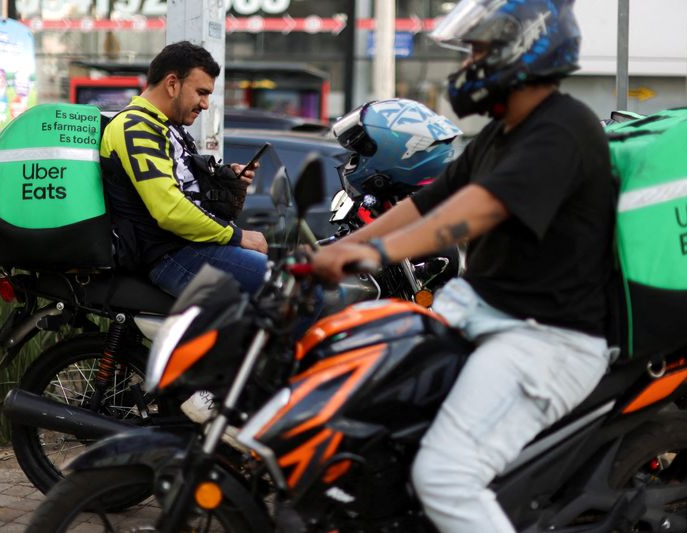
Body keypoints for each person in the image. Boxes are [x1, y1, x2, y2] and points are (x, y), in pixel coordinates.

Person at [311, 1, 614, 531]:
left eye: (478, 50)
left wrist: (377, 253)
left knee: (444, 474)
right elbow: (425, 203)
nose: (468, 64)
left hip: (547, 336)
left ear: (522, 51)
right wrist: (339, 248)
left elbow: (483, 207)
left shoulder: (563, 129)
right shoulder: (501, 134)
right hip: (485, 311)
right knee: (375, 413)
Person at [100, 40, 268, 297]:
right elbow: (170, 211)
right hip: (172, 256)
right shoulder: (136, 127)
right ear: (172, 84)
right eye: (201, 92)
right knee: (296, 289)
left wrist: (227, 180)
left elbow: (186, 189)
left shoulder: (165, 126)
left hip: (189, 249)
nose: (205, 104)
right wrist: (237, 236)